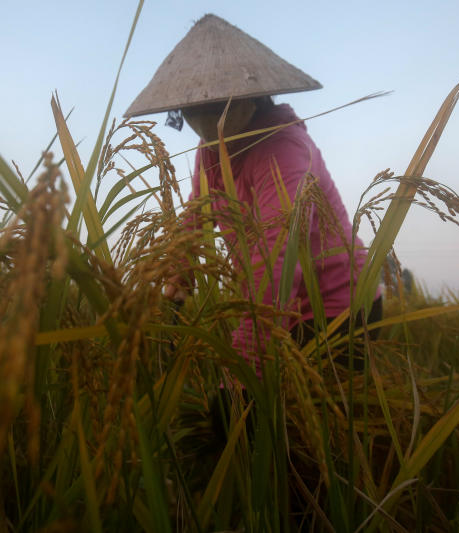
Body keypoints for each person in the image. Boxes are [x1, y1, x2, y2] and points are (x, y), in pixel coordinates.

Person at [125, 14, 381, 369]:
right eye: (195, 108)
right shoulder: (209, 148)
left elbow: (280, 253)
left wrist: (246, 361)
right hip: (281, 309)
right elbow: (196, 218)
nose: (207, 121)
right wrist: (175, 288)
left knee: (297, 415)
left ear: (251, 97)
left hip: (341, 306)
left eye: (220, 105)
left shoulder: (283, 146)